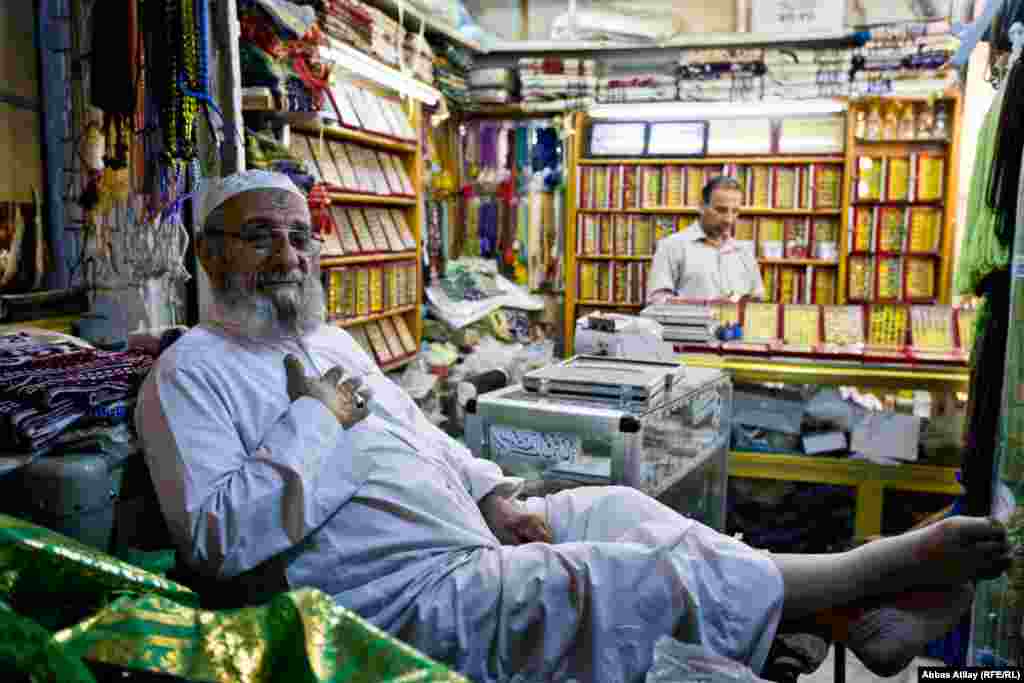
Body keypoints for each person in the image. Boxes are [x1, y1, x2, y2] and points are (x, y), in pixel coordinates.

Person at [136, 170, 1011, 683]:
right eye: (261, 238)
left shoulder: (327, 338)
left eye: (299, 236)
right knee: (620, 575)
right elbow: (218, 538)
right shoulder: (190, 373)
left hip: (462, 539)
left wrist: (490, 491)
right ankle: (851, 584)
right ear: (210, 253)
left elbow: (422, 438)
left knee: (621, 509)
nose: (289, 255)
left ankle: (838, 612)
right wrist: (314, 419)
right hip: (383, 600)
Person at [647, 176, 765, 304]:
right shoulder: (672, 246)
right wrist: (707, 305)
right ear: (702, 206)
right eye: (721, 210)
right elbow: (657, 301)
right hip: (692, 324)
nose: (729, 220)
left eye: (735, 211)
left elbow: (757, 300)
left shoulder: (744, 252)